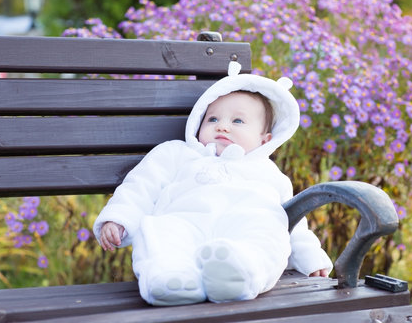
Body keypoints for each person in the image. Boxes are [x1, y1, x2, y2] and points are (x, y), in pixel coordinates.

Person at [93, 61, 332, 306]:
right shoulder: (177, 153)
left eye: (238, 121)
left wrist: (311, 258)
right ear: (198, 122)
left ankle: (239, 273)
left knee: (268, 235)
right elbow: (141, 187)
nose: (223, 126)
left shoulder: (269, 173)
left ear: (265, 139)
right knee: (160, 234)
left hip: (244, 228)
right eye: (213, 118)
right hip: (185, 223)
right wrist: (119, 218)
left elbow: (294, 223)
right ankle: (170, 279)